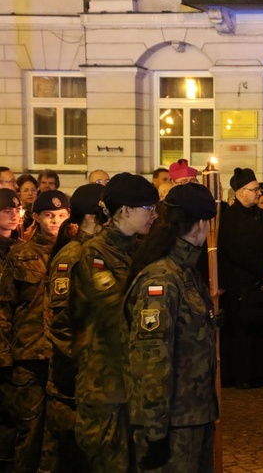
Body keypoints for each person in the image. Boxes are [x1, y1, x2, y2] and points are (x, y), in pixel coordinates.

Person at [123, 183, 220, 472]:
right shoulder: (162, 280)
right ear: (201, 224)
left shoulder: (185, 271)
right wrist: (155, 432)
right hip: (172, 423)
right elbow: (152, 360)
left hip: (194, 415)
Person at [69, 173, 159, 471]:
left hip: (134, 384)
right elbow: (116, 310)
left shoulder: (139, 249)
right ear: (124, 211)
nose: (153, 215)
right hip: (105, 384)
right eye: (148, 208)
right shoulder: (94, 254)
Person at [0, 189, 70, 473]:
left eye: (61, 216)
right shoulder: (21, 255)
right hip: (28, 356)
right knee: (28, 429)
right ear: (37, 217)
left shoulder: (75, 253)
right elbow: (4, 309)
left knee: (60, 430)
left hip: (64, 355)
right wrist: (4, 357)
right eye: (49, 216)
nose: (55, 222)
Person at [43, 183, 107, 473]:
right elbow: (62, 324)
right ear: (90, 217)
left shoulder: (95, 252)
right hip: (74, 379)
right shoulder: (71, 256)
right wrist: (85, 364)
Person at [218, 168, 263, 389]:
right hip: (241, 282)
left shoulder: (262, 216)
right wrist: (261, 269)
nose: (258, 194)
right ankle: (242, 374)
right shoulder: (228, 219)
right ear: (240, 192)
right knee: (242, 331)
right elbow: (235, 250)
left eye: (258, 190)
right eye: (254, 190)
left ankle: (262, 371)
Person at [0, 189, 23, 470]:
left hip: (14, 340)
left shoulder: (20, 247)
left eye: (16, 210)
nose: (14, 214)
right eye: (6, 211)